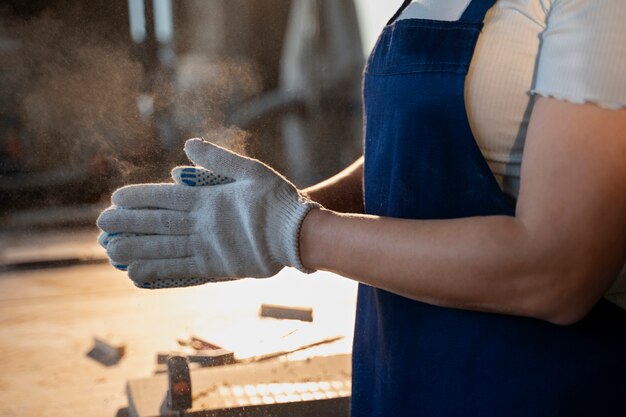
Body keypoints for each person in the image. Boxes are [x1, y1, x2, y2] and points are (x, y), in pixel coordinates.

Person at [98, 0, 626, 415]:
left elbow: (558, 270)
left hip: (540, 387)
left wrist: (297, 231)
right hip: (400, 378)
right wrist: (268, 211)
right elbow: (406, 150)